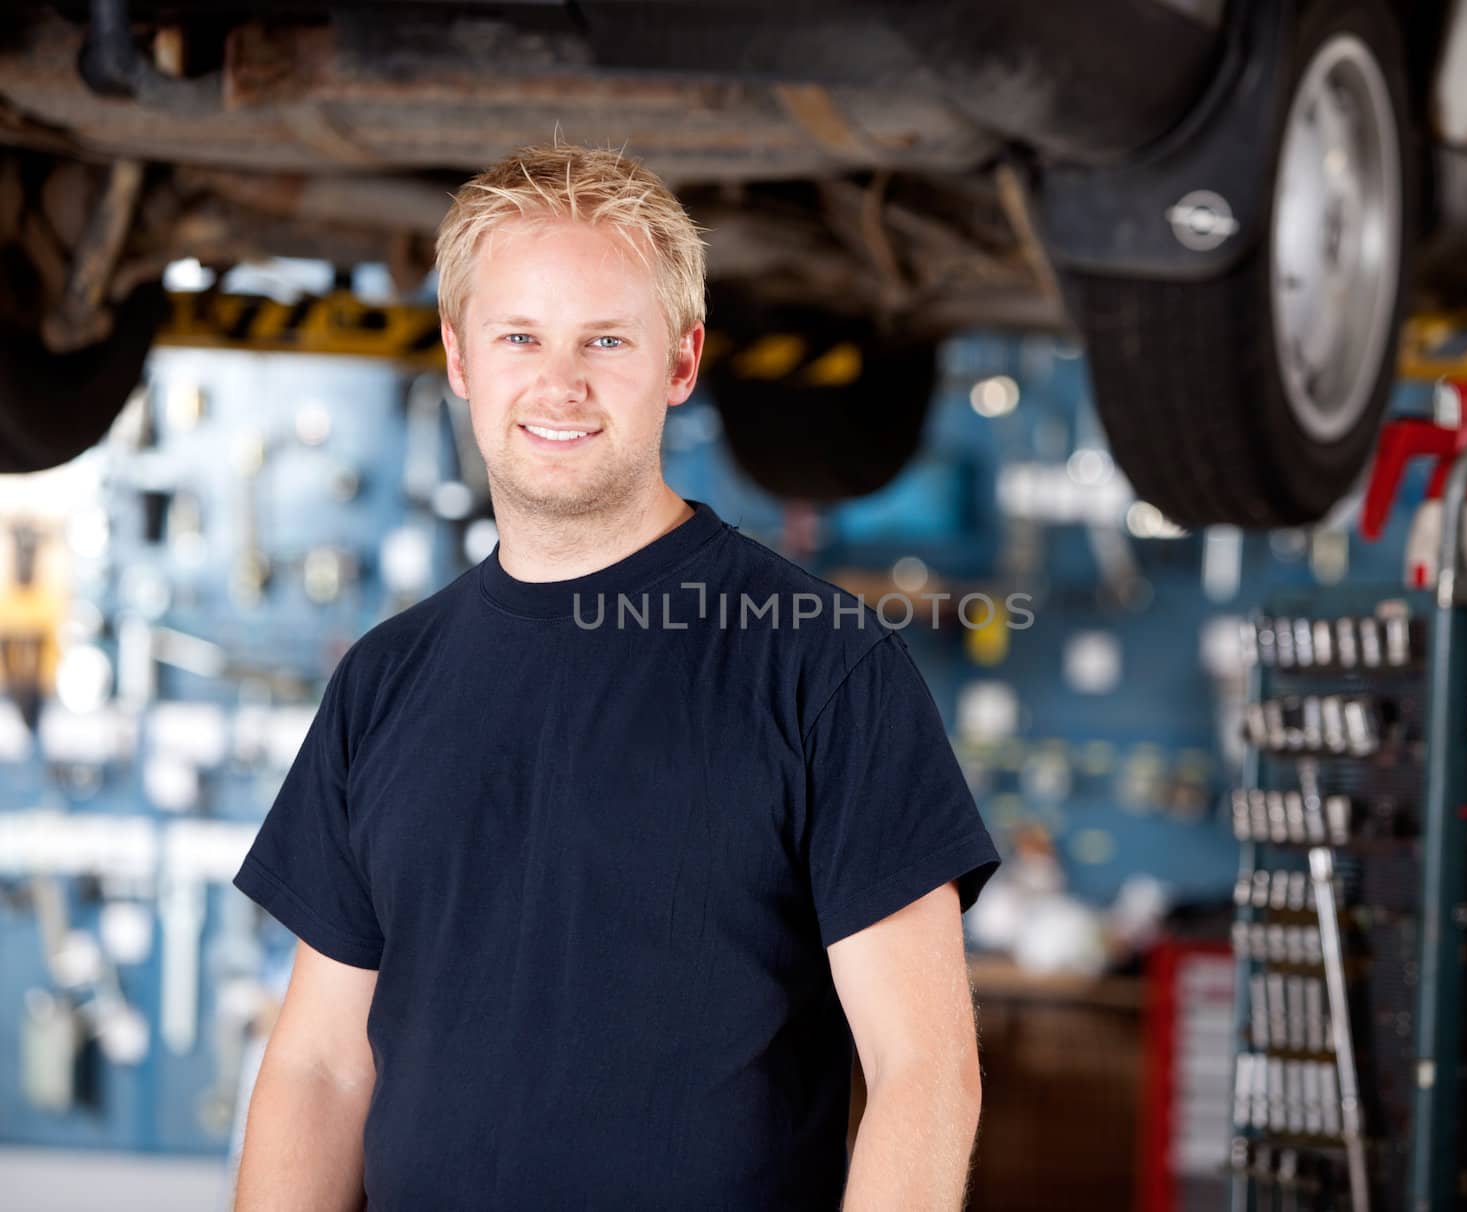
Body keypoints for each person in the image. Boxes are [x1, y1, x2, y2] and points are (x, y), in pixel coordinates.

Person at [231, 143, 1001, 1212]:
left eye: (605, 338)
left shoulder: (824, 666)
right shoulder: (385, 681)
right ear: (459, 358)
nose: (559, 383)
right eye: (518, 337)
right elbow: (321, 1068)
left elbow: (923, 1076)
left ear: (680, 363)